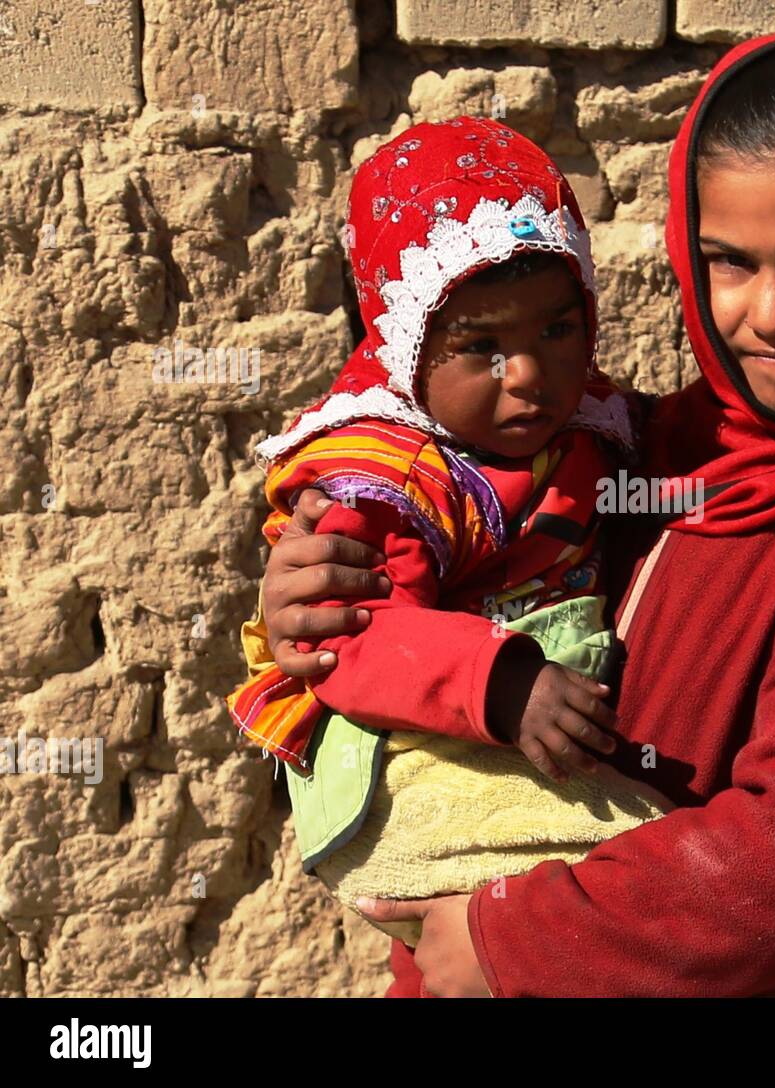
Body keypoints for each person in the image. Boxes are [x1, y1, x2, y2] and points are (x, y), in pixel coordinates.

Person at [254, 31, 775, 997]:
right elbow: (441, 570)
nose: (768, 313)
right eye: (729, 261)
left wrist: (511, 939)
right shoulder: (640, 451)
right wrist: (318, 599)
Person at [223, 118, 672, 947]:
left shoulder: (585, 429)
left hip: (511, 741)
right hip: (410, 758)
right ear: (406, 347)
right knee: (646, 880)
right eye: (483, 347)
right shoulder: (383, 480)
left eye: (557, 330)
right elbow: (354, 637)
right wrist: (504, 686)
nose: (529, 374)